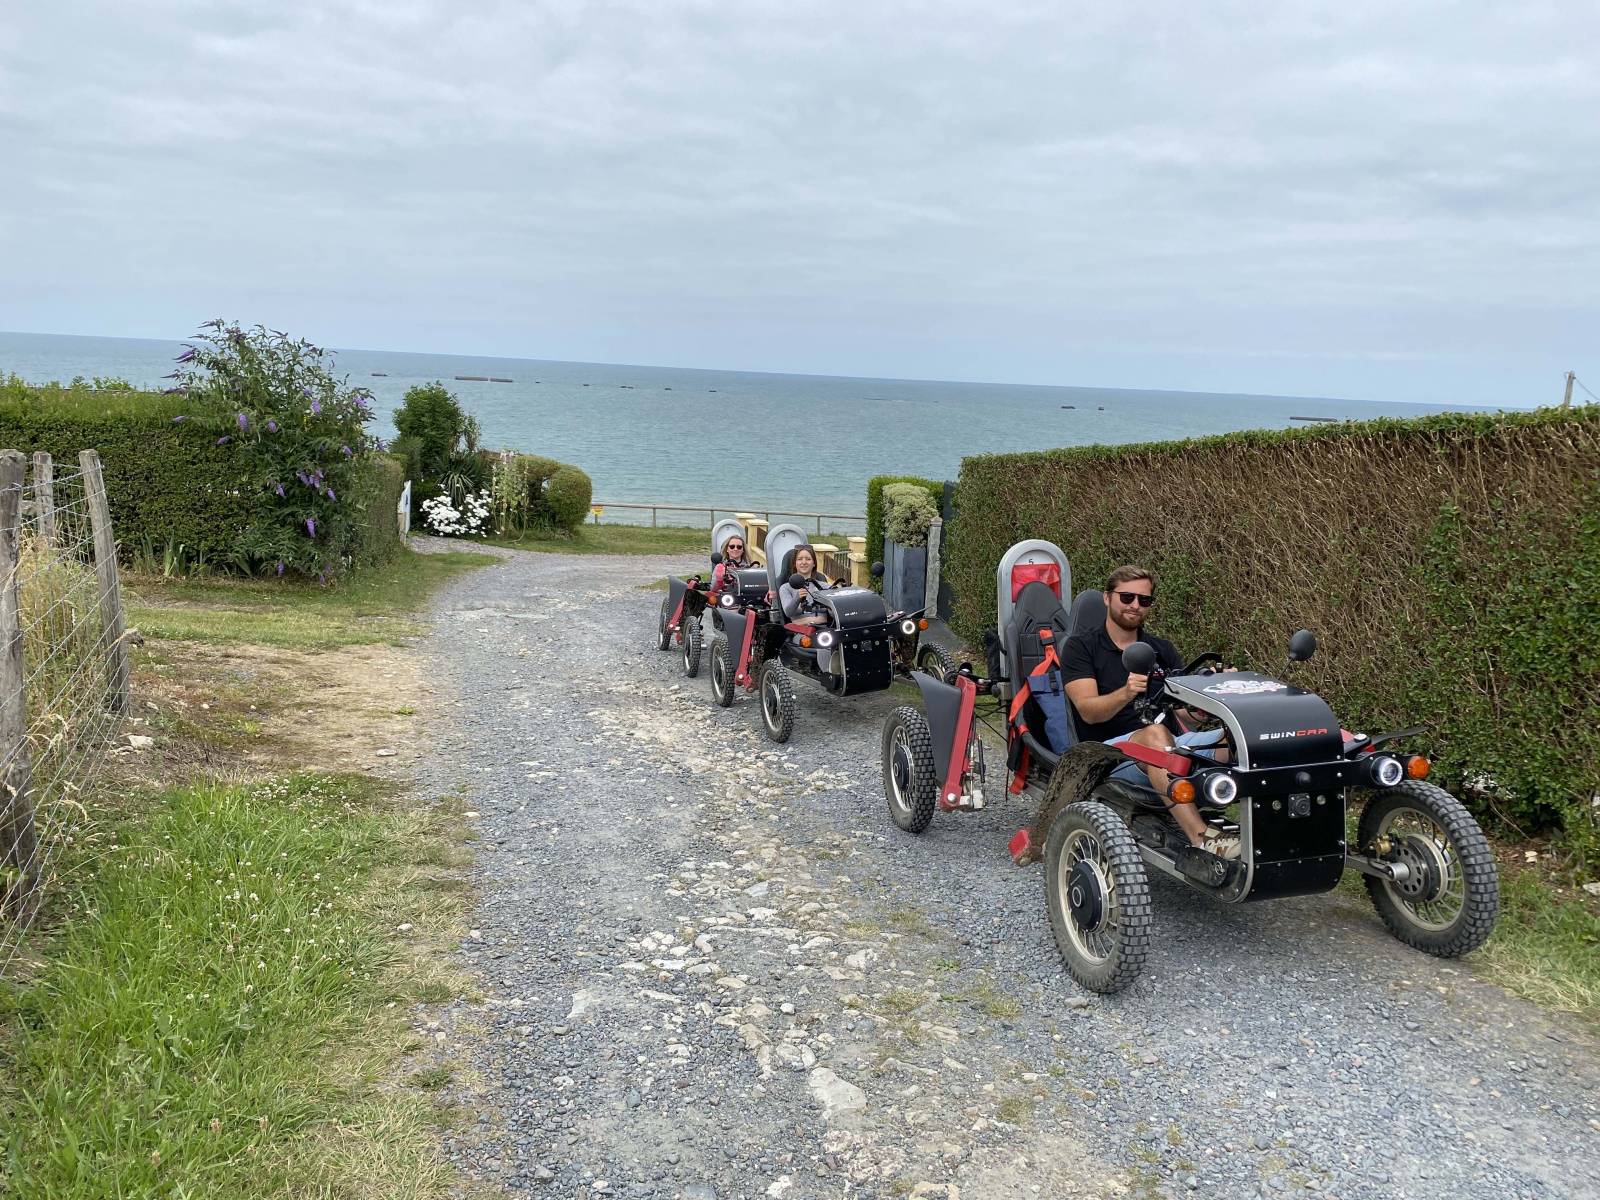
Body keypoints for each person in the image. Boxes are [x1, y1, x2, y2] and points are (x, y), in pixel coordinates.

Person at [1060, 564, 1238, 859]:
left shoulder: (1160, 649)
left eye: (1144, 600)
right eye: (1127, 597)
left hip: (1168, 748)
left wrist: (1210, 695)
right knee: (1155, 735)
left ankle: (1272, 836)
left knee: (1237, 737)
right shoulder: (1081, 647)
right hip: (1109, 756)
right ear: (1107, 598)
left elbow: (1181, 715)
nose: (1135, 606)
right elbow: (1088, 711)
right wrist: (1127, 692)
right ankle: (1202, 838)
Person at [779, 545, 833, 626]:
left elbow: (833, 615)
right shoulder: (785, 588)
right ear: (794, 563)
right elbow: (788, 613)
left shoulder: (825, 587)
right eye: (800, 559)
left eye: (808, 559)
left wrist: (831, 607)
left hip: (824, 630)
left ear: (814, 563)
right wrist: (797, 598)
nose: (804, 562)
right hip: (800, 632)